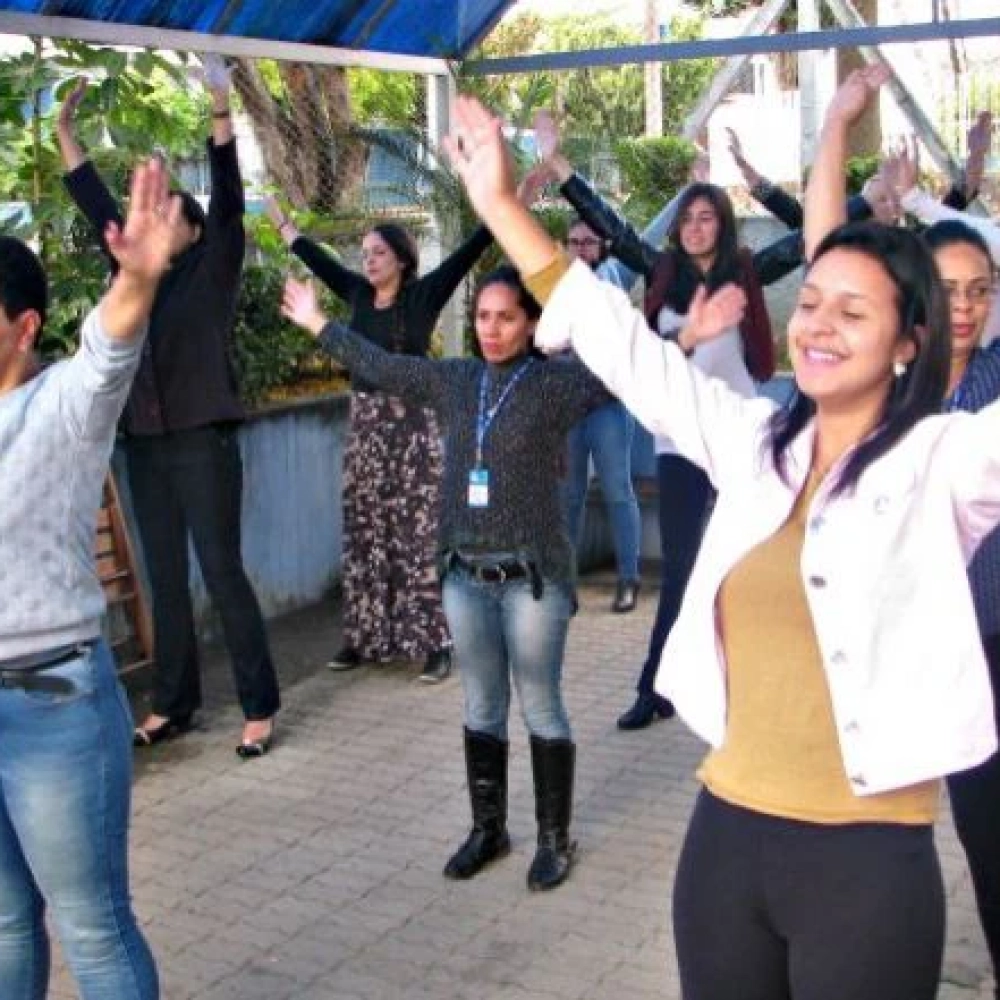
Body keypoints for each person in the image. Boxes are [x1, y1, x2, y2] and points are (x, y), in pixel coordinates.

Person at [442, 69, 1000, 999]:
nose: (818, 325)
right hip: (727, 843)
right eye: (812, 303)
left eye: (853, 313)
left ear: (910, 342)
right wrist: (501, 199)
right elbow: (616, 339)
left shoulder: (948, 462)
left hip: (868, 868)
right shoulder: (755, 446)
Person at [280, 264, 611, 891]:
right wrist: (321, 324)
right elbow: (388, 367)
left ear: (532, 323)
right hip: (463, 575)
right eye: (483, 316)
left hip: (532, 579)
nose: (491, 329)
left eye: (506, 316)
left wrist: (687, 331)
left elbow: (627, 371)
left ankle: (553, 839)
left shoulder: (553, 385)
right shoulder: (458, 380)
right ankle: (489, 830)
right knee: (481, 702)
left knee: (541, 705)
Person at [56, 60, 280, 757]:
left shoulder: (214, 268)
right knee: (165, 578)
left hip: (201, 442)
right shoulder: (138, 271)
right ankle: (174, 704)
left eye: (168, 215)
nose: (153, 222)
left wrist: (219, 110)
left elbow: (230, 196)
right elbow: (100, 210)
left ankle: (258, 706)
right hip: (145, 443)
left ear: (194, 232)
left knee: (220, 569)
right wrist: (66, 134)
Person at [0, 157, 178, 999]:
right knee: (2, 924)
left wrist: (138, 277)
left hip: (54, 706)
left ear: (24, 325)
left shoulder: (63, 406)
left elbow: (108, 351)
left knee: (92, 927)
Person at [267, 204, 496, 684]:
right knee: (365, 531)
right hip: (366, 426)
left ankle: (435, 642)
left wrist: (504, 200)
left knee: (417, 536)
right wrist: (287, 229)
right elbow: (321, 263)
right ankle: (364, 636)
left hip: (413, 427)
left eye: (378, 253)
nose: (368, 260)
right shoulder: (356, 294)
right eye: (365, 253)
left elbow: (468, 252)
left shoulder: (423, 296)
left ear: (402, 259)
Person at [560, 215, 643, 613]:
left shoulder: (615, 277)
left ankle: (628, 580)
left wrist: (687, 191)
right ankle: (565, 584)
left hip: (609, 409)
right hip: (568, 412)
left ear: (602, 247)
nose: (581, 249)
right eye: (574, 242)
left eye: (588, 242)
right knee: (569, 496)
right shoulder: (555, 287)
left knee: (618, 493)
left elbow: (649, 234)